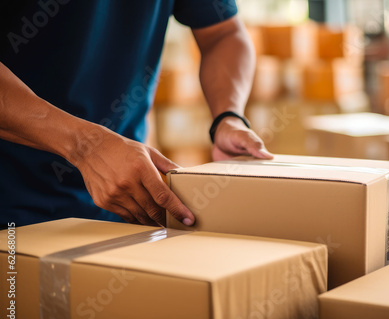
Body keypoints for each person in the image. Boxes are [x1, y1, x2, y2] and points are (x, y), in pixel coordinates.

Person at [0, 0, 272, 229]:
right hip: (11, 207)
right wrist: (84, 145)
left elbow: (223, 33)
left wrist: (228, 116)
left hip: (125, 197)